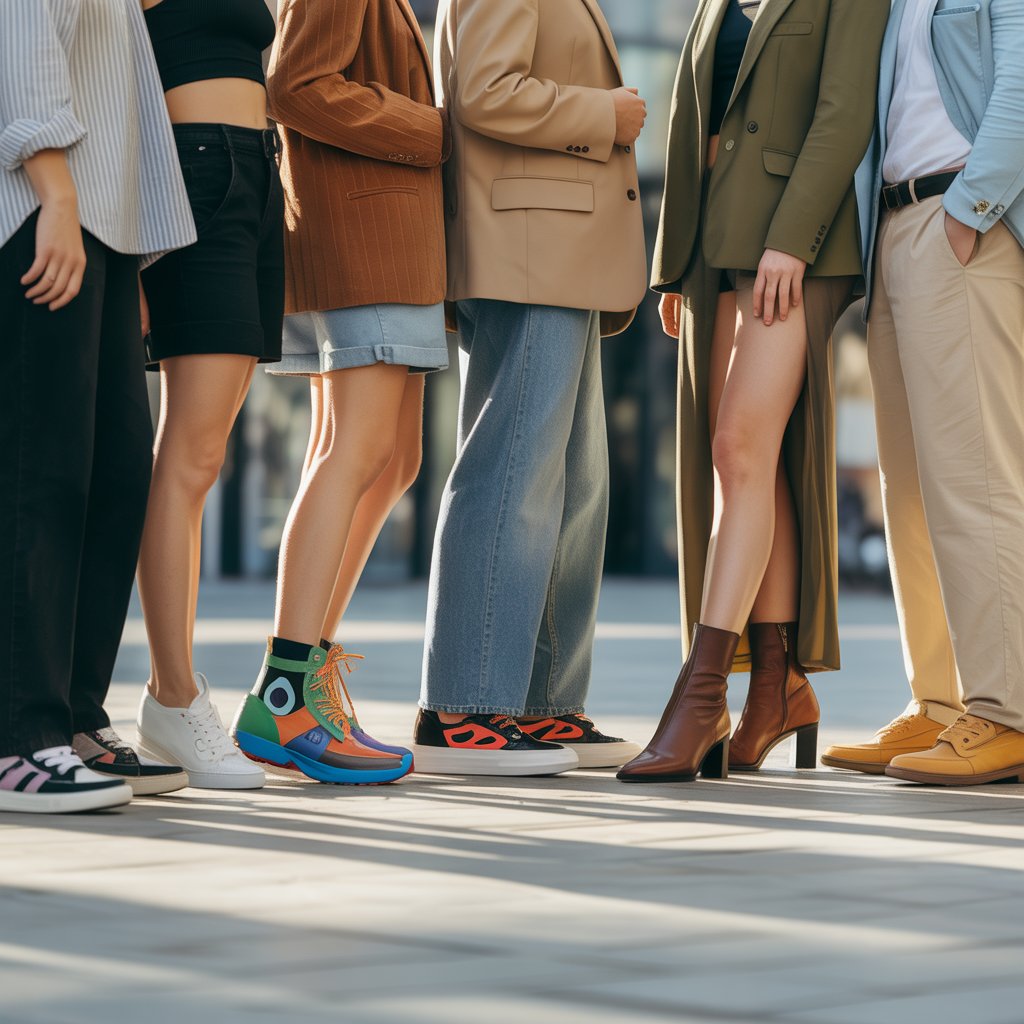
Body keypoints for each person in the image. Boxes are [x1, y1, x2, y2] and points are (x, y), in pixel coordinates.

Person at [617, 0, 888, 783]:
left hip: (796, 245)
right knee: (748, 463)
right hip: (716, 248)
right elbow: (692, 117)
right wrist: (677, 264)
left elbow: (843, 114)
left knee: (739, 445)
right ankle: (776, 685)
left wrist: (789, 243)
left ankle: (701, 694)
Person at [412, 0, 649, 777]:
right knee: (512, 471)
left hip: (559, 246)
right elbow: (485, 90)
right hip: (528, 244)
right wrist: (605, 113)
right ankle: (464, 706)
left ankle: (543, 703)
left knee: (575, 486)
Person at [228, 0, 449, 785]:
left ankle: (301, 680)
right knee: (355, 451)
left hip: (383, 232)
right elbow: (295, 84)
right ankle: (286, 691)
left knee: (389, 460)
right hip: (364, 230)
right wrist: (434, 131)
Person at [0, 0, 196, 813]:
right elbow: (22, 37)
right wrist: (58, 197)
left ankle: (74, 715)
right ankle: (18, 737)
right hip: (42, 210)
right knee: (40, 474)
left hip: (102, 225)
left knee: (116, 472)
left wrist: (127, 249)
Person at [824, 0, 1024, 786]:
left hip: (962, 221)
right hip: (898, 231)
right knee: (908, 490)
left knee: (974, 478)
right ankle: (940, 702)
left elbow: (1018, 88)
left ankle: (1006, 708)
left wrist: (971, 210)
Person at [129, 0, 282, 791]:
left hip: (255, 170)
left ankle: (171, 699)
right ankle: (173, 693)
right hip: (192, 167)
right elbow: (117, 67)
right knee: (187, 454)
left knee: (206, 451)